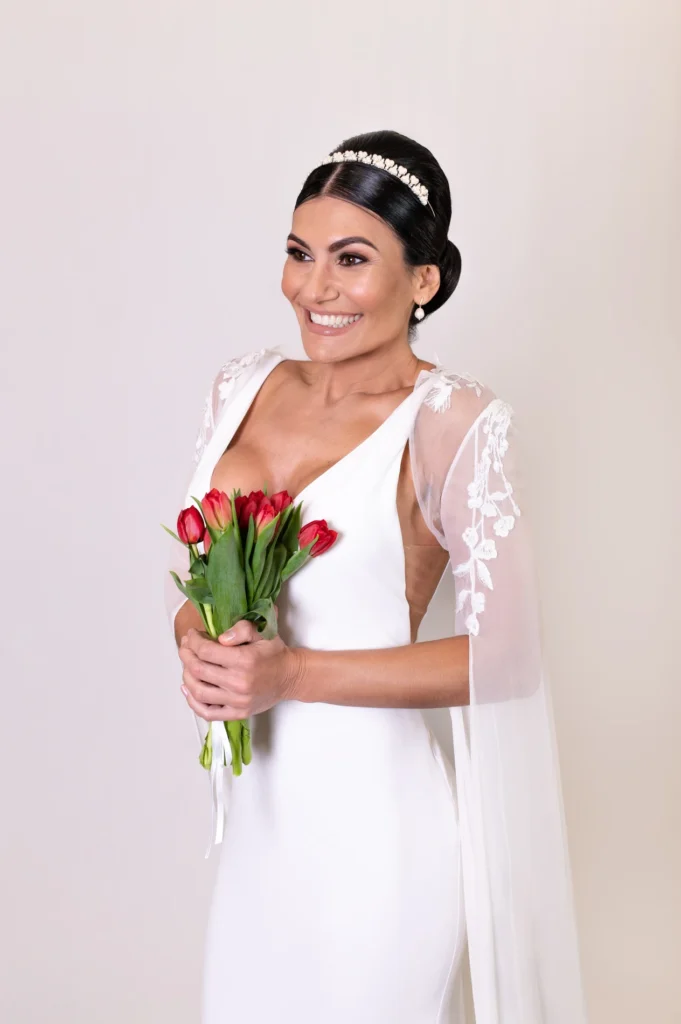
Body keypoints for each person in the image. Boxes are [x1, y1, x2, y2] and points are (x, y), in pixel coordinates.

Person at [164, 129, 589, 1023]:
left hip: (378, 840)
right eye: (297, 253)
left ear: (423, 280)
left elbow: (507, 660)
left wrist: (292, 675)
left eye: (350, 260)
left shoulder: (449, 421)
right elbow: (207, 581)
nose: (313, 288)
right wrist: (195, 639)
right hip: (256, 830)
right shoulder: (240, 386)